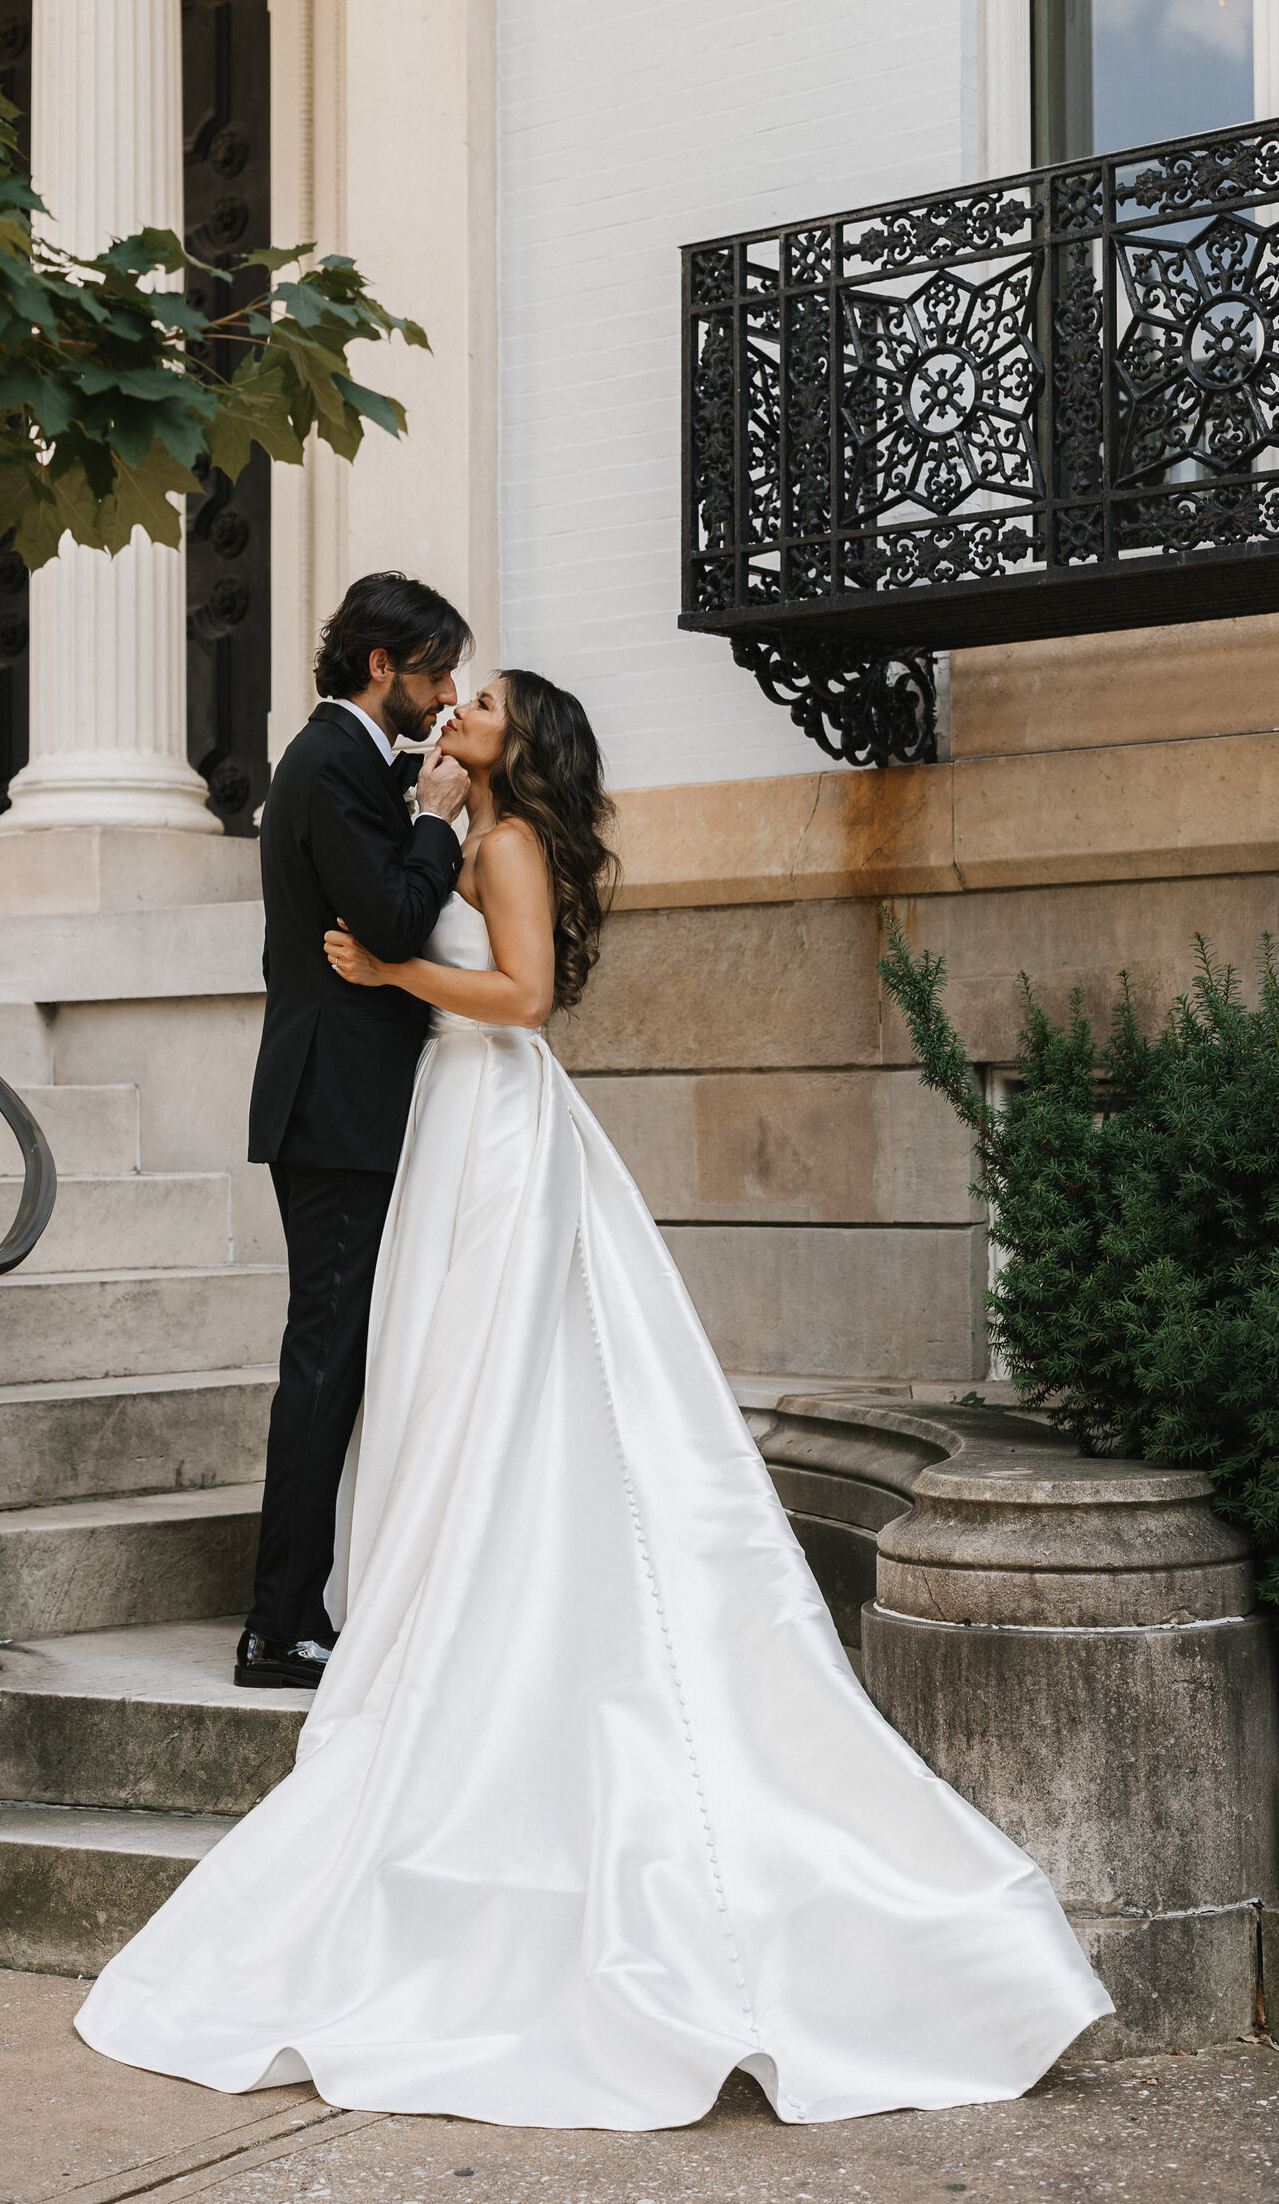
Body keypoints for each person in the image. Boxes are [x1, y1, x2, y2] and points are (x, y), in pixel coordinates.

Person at [77, 668, 1112, 2130]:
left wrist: (391, 978)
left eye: (481, 700)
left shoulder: (507, 846)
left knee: (508, 1378)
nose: (459, 705)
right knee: (449, 1385)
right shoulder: (472, 823)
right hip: (457, 1120)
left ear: (524, 735)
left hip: (495, 1113)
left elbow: (523, 999)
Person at [236, 571, 474, 1691]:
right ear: (381, 665)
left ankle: (310, 1602)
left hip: (350, 1098)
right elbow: (385, 917)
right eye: (433, 672)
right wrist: (435, 821)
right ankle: (278, 1625)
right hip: (335, 1105)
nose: (445, 695)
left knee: (339, 1360)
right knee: (323, 1364)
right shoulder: (329, 763)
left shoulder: (341, 760)